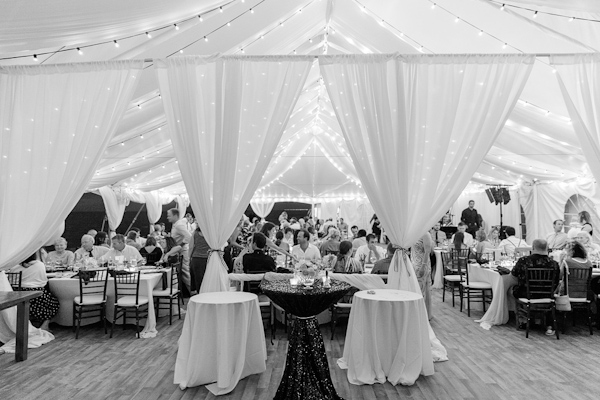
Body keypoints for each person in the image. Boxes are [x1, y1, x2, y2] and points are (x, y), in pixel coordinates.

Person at [511, 239, 560, 335]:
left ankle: (524, 320)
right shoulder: (554, 264)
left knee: (512, 290)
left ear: (532, 247)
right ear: (547, 248)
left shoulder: (524, 261)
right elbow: (557, 281)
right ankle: (547, 324)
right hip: (547, 295)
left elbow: (514, 273)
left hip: (527, 294)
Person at [10, 252, 59, 331]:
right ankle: (45, 325)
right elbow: (43, 281)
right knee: (54, 302)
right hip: (35, 294)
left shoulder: (15, 266)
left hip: (18, 295)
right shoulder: (39, 265)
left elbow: (12, 281)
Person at [167, 208, 192, 295]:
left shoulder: (179, 225)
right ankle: (187, 291)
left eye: (169, 215)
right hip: (178, 251)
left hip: (182, 251)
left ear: (175, 215)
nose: (167, 217)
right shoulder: (176, 224)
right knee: (183, 272)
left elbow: (189, 237)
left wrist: (180, 245)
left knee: (185, 271)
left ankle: (190, 291)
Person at [412, 232, 433, 318]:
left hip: (422, 265)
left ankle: (423, 314)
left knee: (422, 289)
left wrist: (423, 266)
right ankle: (418, 313)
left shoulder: (425, 234)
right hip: (414, 263)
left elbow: (427, 251)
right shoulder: (414, 233)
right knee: (417, 289)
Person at [188, 224, 210, 292]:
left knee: (198, 280)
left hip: (196, 258)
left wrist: (189, 258)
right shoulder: (210, 233)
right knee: (208, 279)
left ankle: (199, 295)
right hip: (208, 258)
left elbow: (191, 246)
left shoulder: (195, 233)